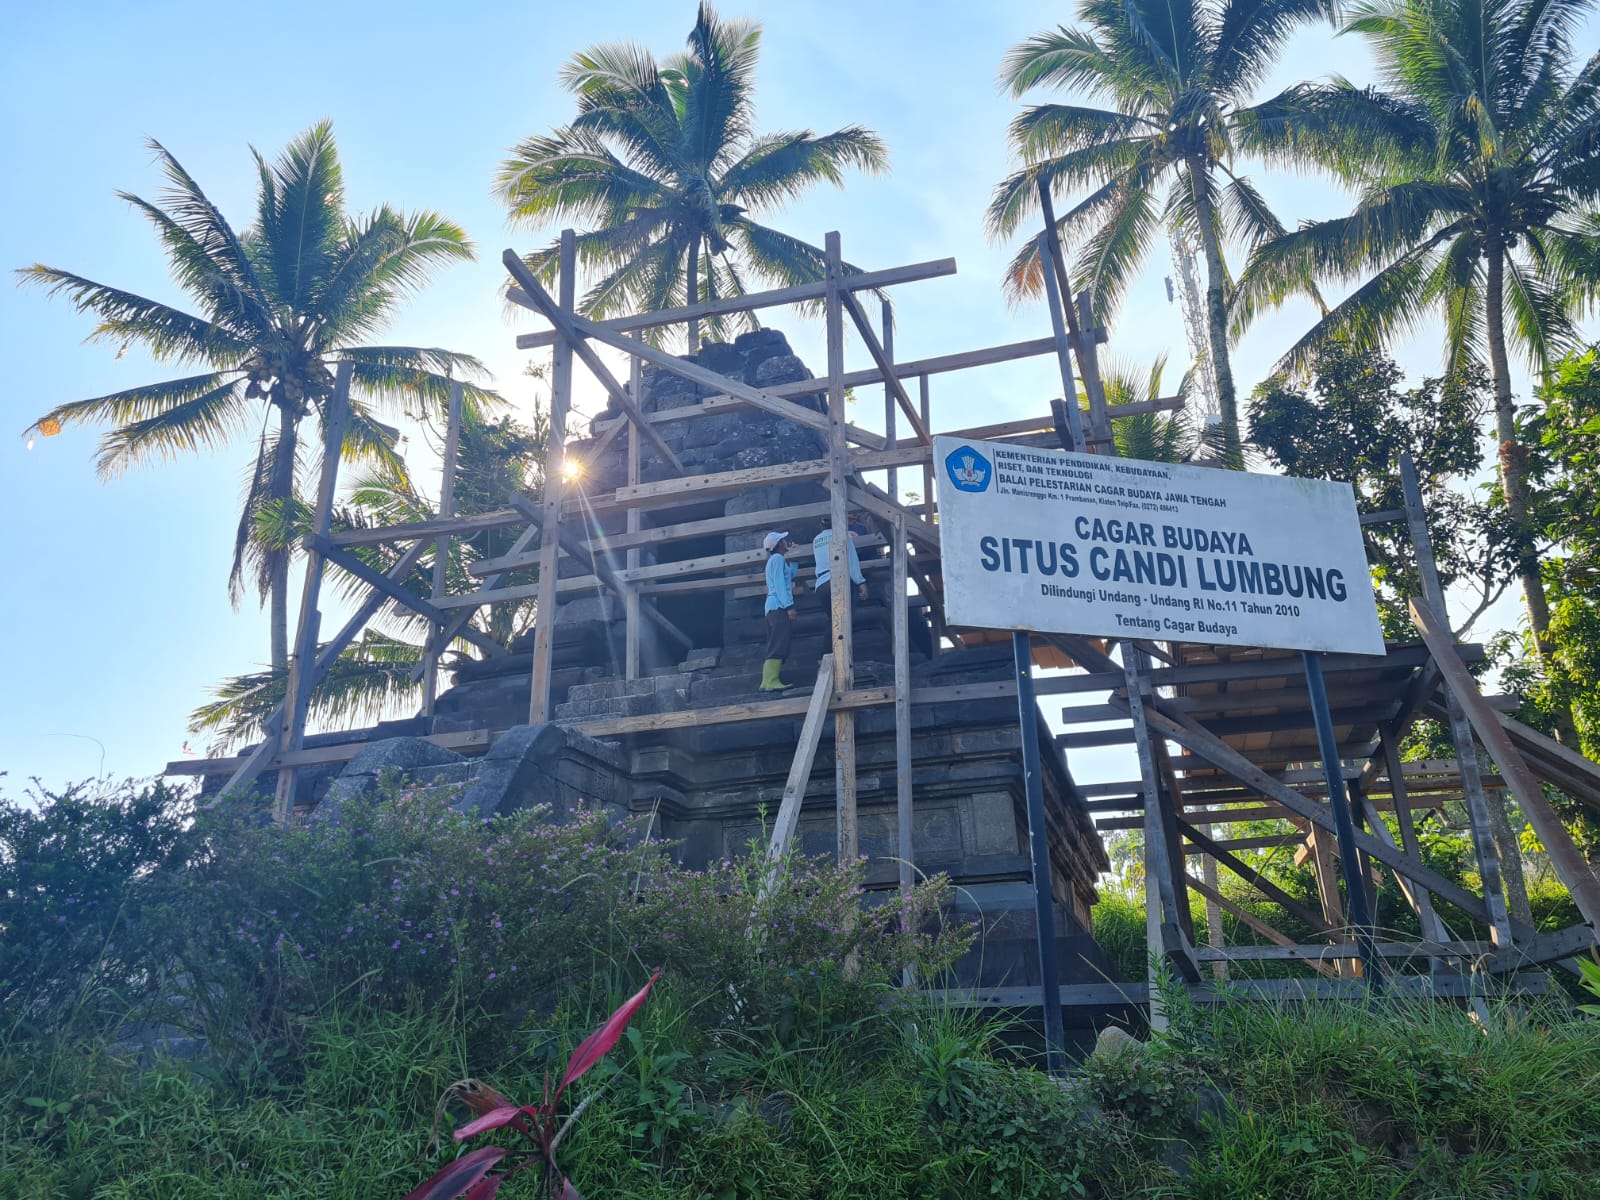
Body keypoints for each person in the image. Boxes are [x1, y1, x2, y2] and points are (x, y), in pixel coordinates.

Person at [760, 530, 800, 691]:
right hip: (778, 607)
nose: (786, 542)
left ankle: (766, 681)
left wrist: (795, 559)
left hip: (773, 607)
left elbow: (788, 576)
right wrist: (789, 606)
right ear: (778, 545)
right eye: (784, 541)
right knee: (779, 643)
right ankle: (771, 680)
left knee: (775, 641)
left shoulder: (775, 560)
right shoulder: (777, 559)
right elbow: (780, 585)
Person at [812, 515, 868, 617]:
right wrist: (860, 582)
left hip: (821, 585)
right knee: (846, 619)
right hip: (839, 581)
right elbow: (852, 560)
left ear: (821, 525)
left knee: (833, 621)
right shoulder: (842, 535)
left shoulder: (816, 540)